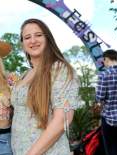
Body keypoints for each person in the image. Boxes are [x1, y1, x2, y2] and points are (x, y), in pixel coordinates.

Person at [11, 18, 82, 155]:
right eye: (27, 37)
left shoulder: (60, 70)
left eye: (38, 35)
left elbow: (63, 120)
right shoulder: (25, 74)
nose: (33, 41)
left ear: (48, 38)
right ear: (23, 44)